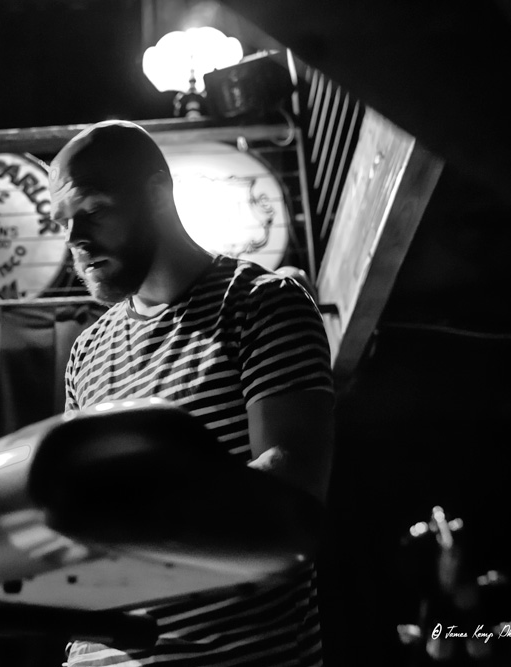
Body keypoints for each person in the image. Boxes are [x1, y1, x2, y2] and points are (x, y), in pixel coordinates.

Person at [50, 120, 335, 667]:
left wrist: (127, 516)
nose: (75, 240)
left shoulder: (261, 303)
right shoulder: (88, 351)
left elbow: (292, 492)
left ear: (158, 191)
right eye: (65, 221)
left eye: (94, 208)